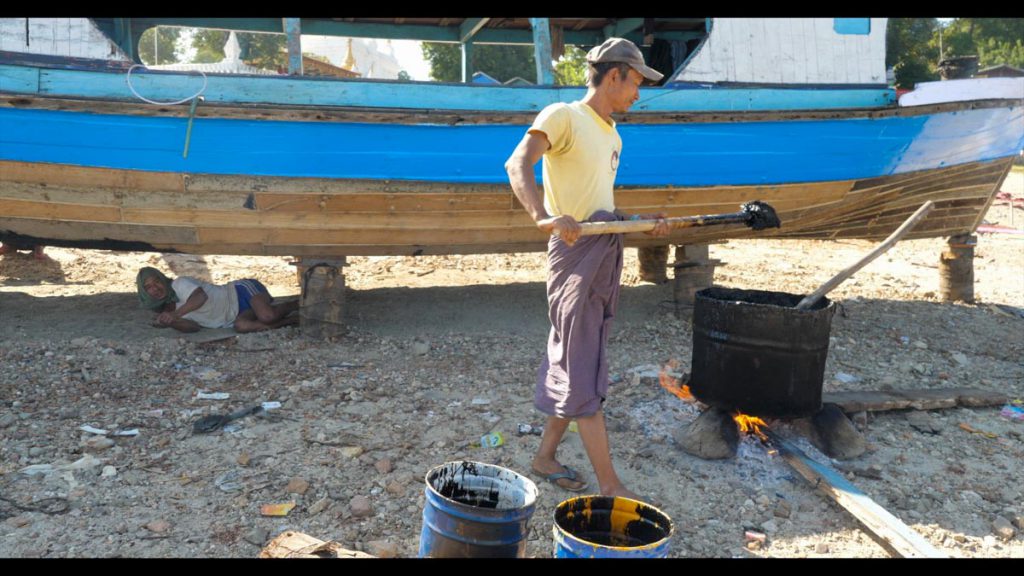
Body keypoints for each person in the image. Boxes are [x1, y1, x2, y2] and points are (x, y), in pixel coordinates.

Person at [505, 38, 670, 498]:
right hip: (573, 259)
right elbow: (517, 163)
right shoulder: (563, 115)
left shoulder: (613, 133)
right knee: (580, 362)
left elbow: (600, 208)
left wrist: (641, 223)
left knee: (578, 357)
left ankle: (544, 457)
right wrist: (542, 215)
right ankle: (611, 485)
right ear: (614, 74)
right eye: (636, 81)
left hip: (601, 252)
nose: (638, 93)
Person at [136, 267, 298, 333]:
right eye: (148, 287)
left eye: (156, 282)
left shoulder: (179, 284)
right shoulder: (168, 310)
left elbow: (200, 297)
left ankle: (296, 303)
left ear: (162, 279)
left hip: (239, 292)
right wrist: (171, 322)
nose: (155, 288)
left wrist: (176, 314)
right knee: (241, 326)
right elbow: (193, 328)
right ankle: (294, 319)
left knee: (267, 316)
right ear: (145, 293)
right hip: (236, 315)